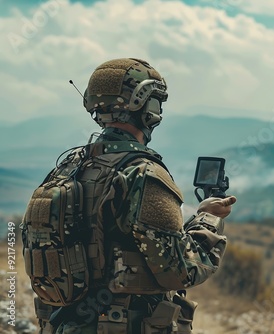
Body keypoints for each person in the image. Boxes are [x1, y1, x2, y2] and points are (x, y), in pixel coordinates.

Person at [23, 58, 237, 333]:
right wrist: (208, 219)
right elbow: (182, 269)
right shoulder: (142, 174)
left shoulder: (67, 167)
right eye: (158, 102)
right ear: (147, 107)